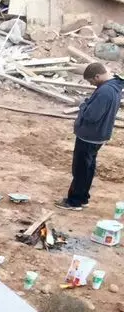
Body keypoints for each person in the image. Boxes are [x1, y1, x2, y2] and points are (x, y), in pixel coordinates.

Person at [58, 62, 124, 211]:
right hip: (98, 135)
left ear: (97, 76)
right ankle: (83, 198)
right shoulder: (114, 87)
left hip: (90, 136)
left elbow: (91, 116)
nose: (92, 84)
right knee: (87, 168)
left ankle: (74, 201)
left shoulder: (105, 92)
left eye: (91, 81)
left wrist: (82, 105)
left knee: (81, 169)